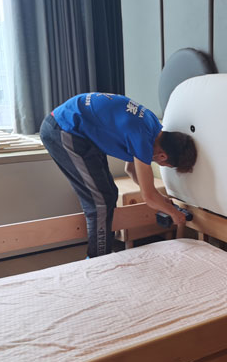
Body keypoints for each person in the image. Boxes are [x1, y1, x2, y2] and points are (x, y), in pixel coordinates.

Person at [40, 93, 197, 258]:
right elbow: (149, 196)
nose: (158, 164)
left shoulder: (152, 126)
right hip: (63, 128)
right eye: (164, 165)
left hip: (80, 132)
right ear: (163, 156)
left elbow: (131, 170)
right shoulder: (143, 139)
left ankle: (103, 252)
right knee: (100, 201)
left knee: (109, 194)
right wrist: (174, 214)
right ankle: (97, 259)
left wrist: (161, 200)